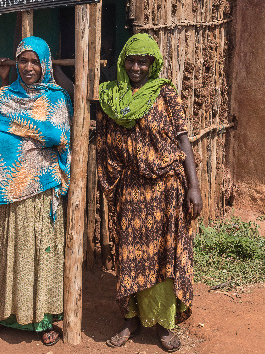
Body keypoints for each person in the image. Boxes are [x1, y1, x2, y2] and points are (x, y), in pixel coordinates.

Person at [95, 33, 201, 353]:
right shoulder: (113, 97)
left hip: (166, 189)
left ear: (153, 63)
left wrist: (193, 186)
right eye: (131, 60)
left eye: (143, 61)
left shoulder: (166, 94)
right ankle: (132, 318)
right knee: (131, 256)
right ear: (123, 61)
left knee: (163, 257)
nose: (137, 67)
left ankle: (165, 324)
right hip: (132, 188)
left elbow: (183, 141)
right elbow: (91, 111)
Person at [0, 36, 72, 347]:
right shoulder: (3, 96)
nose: (29, 67)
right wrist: (33, 137)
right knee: (6, 255)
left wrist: (21, 134)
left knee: (40, 255)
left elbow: (59, 135)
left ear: (45, 64)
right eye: (23, 61)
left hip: (41, 191)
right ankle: (2, 315)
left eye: (35, 61)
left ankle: (43, 319)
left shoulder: (57, 98)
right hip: (5, 192)